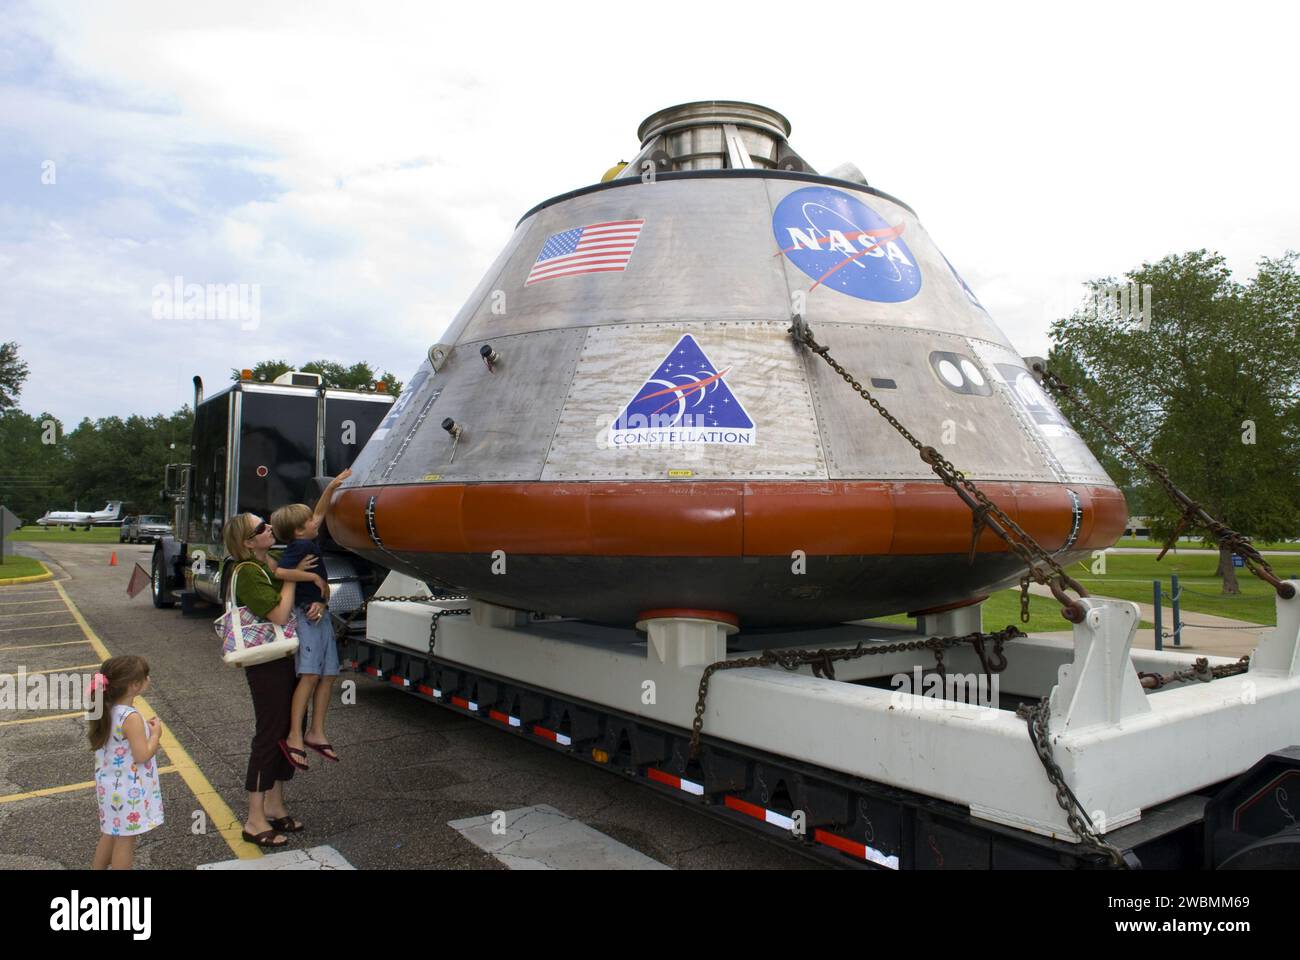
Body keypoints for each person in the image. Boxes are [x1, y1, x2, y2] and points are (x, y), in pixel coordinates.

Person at [223, 512, 321, 848]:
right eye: (260, 528)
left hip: (286, 656)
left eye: (267, 524)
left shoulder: (272, 562)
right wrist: (293, 578)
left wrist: (316, 603)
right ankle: (254, 818)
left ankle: (276, 804)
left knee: (287, 727)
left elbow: (297, 603)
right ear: (248, 542)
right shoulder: (248, 572)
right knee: (269, 732)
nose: (269, 529)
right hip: (266, 662)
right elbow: (279, 613)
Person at [268, 468, 350, 770]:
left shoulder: (305, 538)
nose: (316, 522)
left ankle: (316, 731)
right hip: (306, 617)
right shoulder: (299, 547)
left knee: (328, 674)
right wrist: (313, 578)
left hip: (320, 614)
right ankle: (295, 735)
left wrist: (333, 486)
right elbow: (278, 572)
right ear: (299, 531)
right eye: (309, 523)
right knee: (312, 676)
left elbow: (319, 513)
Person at [88, 655, 163, 869]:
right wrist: (156, 734)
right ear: (135, 685)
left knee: (111, 832)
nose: (149, 679)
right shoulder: (130, 717)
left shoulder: (107, 708)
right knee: (125, 840)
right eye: (145, 676)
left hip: (110, 787)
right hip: (129, 788)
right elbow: (142, 755)